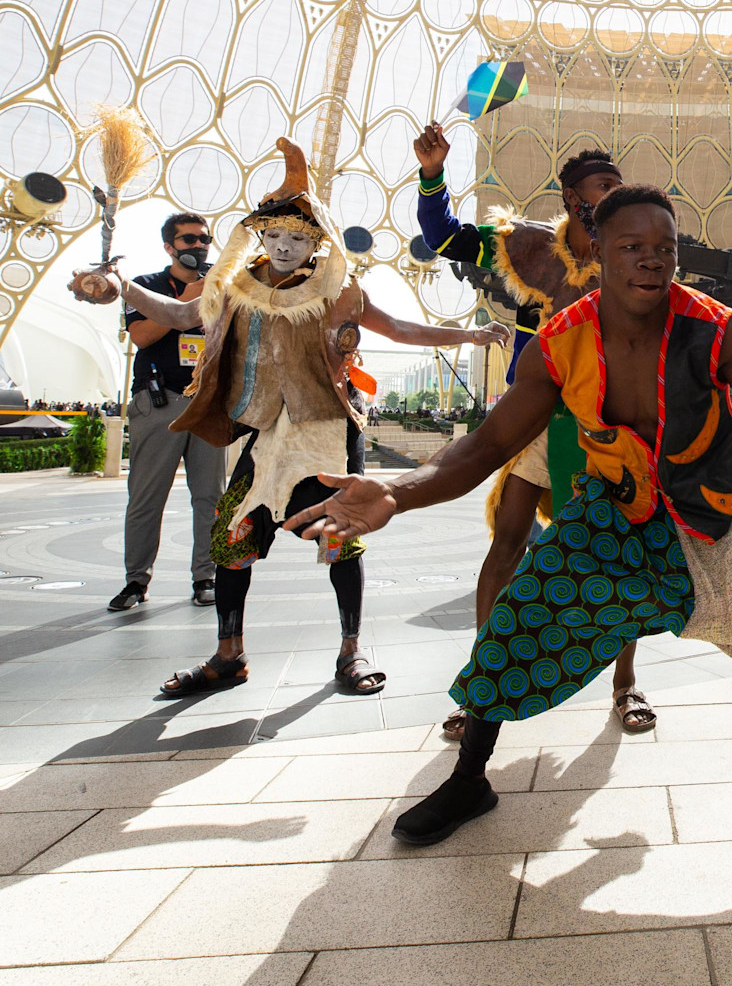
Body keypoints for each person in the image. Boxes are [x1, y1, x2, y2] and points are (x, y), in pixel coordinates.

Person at [288, 184, 732, 852]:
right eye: (632, 246)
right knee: (518, 618)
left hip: (706, 508)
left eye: (665, 246)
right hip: (610, 514)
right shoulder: (562, 340)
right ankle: (470, 780)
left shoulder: (715, 330)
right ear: (598, 251)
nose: (651, 258)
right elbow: (490, 443)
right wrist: (398, 493)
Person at [113, 138, 505, 700]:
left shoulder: (338, 289)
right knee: (232, 539)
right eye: (272, 235)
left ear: (317, 240)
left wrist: (468, 333)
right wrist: (120, 288)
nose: (282, 245)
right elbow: (178, 314)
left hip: (326, 434)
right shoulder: (235, 285)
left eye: (295, 237)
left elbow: (399, 329)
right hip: (264, 434)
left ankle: (351, 651)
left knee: (339, 537)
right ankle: (229, 654)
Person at [414, 124, 659, 736]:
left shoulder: (628, 260)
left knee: (624, 561)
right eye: (604, 185)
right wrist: (433, 174)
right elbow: (443, 236)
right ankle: (482, 689)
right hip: (534, 424)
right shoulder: (524, 246)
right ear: (572, 196)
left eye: (619, 185)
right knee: (507, 546)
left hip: (606, 429)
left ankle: (625, 686)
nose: (614, 193)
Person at [108, 212, 226, 613]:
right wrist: (189, 297)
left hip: (208, 404)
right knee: (146, 497)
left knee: (210, 498)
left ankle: (205, 576)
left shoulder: (222, 286)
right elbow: (142, 336)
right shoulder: (147, 286)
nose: (198, 246)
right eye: (189, 239)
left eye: (204, 240)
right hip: (160, 401)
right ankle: (135, 581)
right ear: (169, 246)